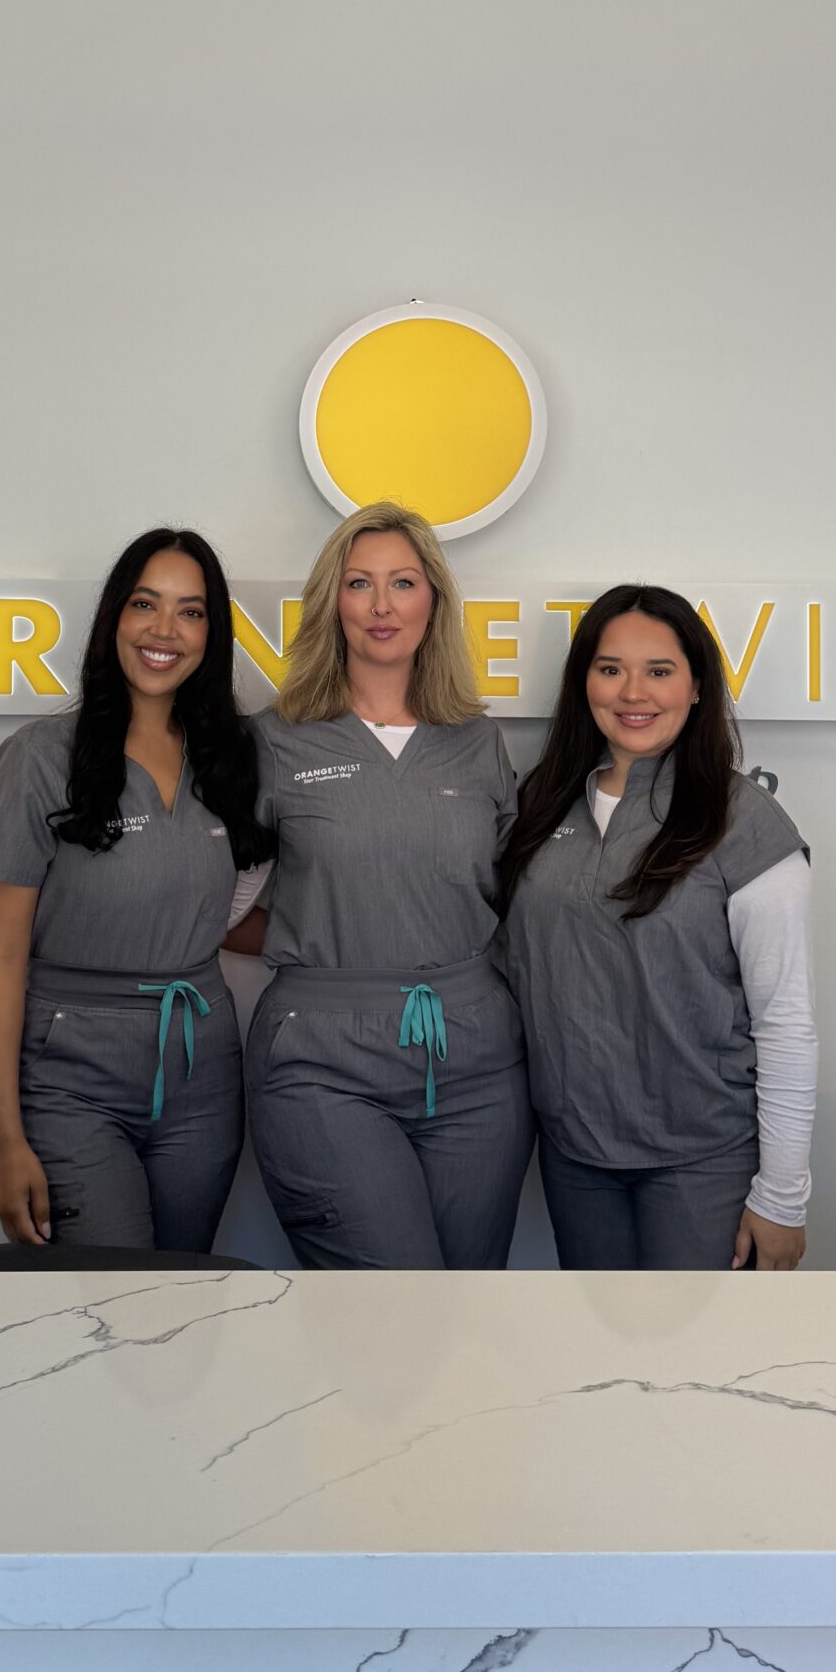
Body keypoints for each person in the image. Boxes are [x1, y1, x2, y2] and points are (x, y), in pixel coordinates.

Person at [237, 500, 534, 1269]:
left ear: (433, 600)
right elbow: (209, 902)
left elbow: (515, 899)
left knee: (465, 1303)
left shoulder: (477, 742)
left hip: (477, 1065)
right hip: (321, 1061)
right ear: (331, 601)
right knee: (390, 1306)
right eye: (359, 583)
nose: (381, 605)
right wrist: (326, 946)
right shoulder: (275, 741)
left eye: (402, 582)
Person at [497, 583, 816, 1272]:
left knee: (706, 1343)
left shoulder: (744, 821)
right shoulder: (539, 804)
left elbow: (785, 1020)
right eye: (610, 669)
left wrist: (782, 1198)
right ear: (583, 682)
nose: (633, 692)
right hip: (574, 1153)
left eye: (660, 670)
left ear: (697, 687)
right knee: (595, 1340)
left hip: (704, 1159)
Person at [0, 526, 272, 1254]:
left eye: (190, 611)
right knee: (110, 1296)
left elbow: (221, 915)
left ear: (212, 633)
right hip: (71, 1077)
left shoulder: (233, 759)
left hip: (203, 1070)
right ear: (114, 616)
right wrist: (4, 1140)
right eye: (145, 604)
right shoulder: (40, 758)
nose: (164, 630)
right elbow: (1, 957)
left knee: (183, 1293)